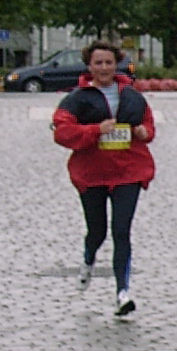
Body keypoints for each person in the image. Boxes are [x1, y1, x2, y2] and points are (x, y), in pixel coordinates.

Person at [50, 40, 156, 318]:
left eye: (109, 62)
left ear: (116, 64)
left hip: (127, 172)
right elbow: (62, 133)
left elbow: (148, 125)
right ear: (89, 66)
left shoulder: (132, 96)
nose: (104, 68)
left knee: (122, 230)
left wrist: (144, 132)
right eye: (99, 63)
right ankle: (88, 260)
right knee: (97, 231)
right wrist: (96, 130)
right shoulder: (76, 98)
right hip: (92, 175)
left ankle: (123, 292)